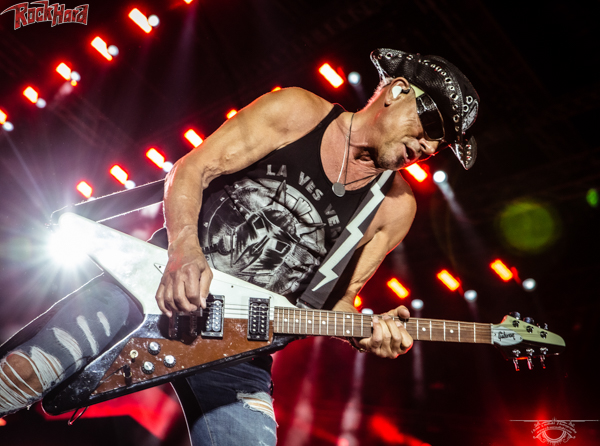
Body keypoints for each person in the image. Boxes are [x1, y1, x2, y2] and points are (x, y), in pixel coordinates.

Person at [0, 48, 479, 445]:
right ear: (398, 92)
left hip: (239, 350)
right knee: (24, 375)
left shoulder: (396, 208)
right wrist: (185, 251)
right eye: (432, 127)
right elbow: (192, 169)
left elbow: (337, 300)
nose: (429, 146)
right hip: (150, 290)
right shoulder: (297, 112)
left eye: (442, 145)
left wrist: (367, 331)